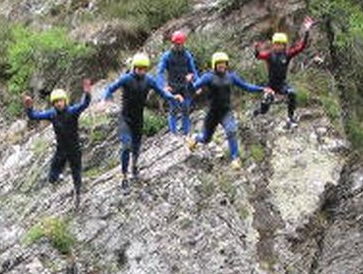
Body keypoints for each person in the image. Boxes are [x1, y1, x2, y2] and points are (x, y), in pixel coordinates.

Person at [103, 52, 184, 190]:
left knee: (136, 148)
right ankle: (124, 176)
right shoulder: (126, 79)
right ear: (134, 67)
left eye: (144, 68)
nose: (141, 71)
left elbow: (162, 92)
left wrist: (173, 97)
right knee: (126, 146)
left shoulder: (149, 80)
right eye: (138, 68)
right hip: (125, 119)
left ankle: (134, 166)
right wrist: (106, 99)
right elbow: (110, 88)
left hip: (138, 120)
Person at [188, 52, 273, 169]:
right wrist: (189, 82)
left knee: (231, 130)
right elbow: (193, 88)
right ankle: (195, 138)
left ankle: (235, 158)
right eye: (219, 63)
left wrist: (262, 89)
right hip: (212, 113)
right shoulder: (208, 77)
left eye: (224, 63)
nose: (222, 65)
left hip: (225, 112)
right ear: (214, 64)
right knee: (206, 139)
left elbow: (246, 86)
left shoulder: (231, 76)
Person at [23, 79, 92, 208]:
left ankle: (77, 195)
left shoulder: (72, 111)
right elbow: (34, 116)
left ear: (65, 101)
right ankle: (60, 177)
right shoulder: (52, 114)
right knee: (52, 177)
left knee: (76, 174)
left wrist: (87, 93)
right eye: (56, 102)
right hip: (61, 149)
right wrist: (29, 107)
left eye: (60, 101)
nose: (59, 104)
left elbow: (85, 104)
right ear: (53, 104)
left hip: (74, 148)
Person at [252, 16, 314, 128]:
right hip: (271, 85)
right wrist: (256, 49)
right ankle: (257, 112)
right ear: (273, 45)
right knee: (266, 104)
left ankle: (291, 117)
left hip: (282, 84)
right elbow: (258, 56)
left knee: (292, 93)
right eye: (276, 44)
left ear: (284, 45)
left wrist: (307, 31)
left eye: (281, 44)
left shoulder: (287, 55)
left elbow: (302, 47)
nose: (278, 46)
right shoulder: (269, 55)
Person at [156, 31, 199, 135]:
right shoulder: (167, 56)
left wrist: (197, 82)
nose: (178, 46)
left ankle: (186, 133)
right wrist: (163, 86)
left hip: (185, 87)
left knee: (186, 109)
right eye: (176, 44)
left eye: (180, 44)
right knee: (174, 110)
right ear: (173, 43)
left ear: (183, 43)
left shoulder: (187, 55)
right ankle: (173, 134)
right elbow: (160, 72)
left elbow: (193, 71)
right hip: (173, 87)